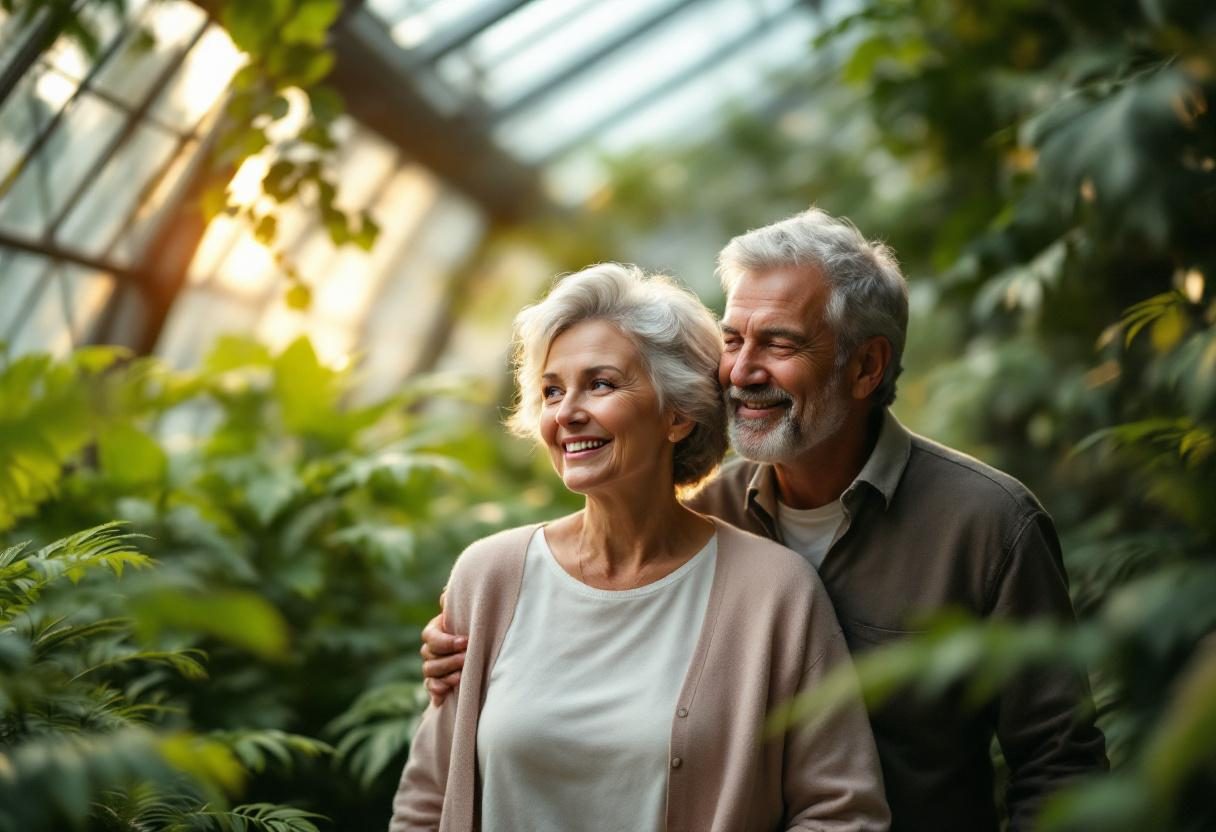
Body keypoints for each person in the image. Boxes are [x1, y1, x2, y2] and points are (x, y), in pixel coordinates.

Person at [419, 210, 1108, 832]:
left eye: (778, 344)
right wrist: (483, 640)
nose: (740, 372)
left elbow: (1058, 768)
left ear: (866, 366)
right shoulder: (708, 513)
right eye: (733, 339)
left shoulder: (988, 524)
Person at [390, 263, 890, 832]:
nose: (567, 412)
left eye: (600, 384)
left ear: (677, 414)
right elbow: (426, 804)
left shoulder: (774, 592)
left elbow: (843, 814)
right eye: (552, 390)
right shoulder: (489, 577)